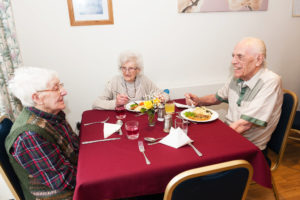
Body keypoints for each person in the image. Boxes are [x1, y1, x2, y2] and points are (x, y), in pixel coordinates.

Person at [185, 37, 283, 152]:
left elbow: (244, 125)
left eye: (240, 56)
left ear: (258, 60)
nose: (233, 61)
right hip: (230, 134)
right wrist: (198, 100)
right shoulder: (239, 76)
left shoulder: (270, 81)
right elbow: (216, 98)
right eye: (233, 56)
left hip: (248, 147)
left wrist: (212, 140)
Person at [5, 67, 79, 200]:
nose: (64, 91)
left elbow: (75, 146)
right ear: (37, 98)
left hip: (74, 177)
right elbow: (64, 181)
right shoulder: (29, 135)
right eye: (56, 88)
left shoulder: (52, 114)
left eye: (60, 85)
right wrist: (97, 173)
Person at [92, 51, 169, 110]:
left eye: (131, 68)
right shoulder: (114, 81)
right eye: (124, 68)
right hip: (122, 119)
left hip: (141, 119)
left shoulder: (143, 80)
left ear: (138, 70)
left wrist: (162, 98)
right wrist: (115, 103)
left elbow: (165, 95)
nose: (126, 72)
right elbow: (96, 104)